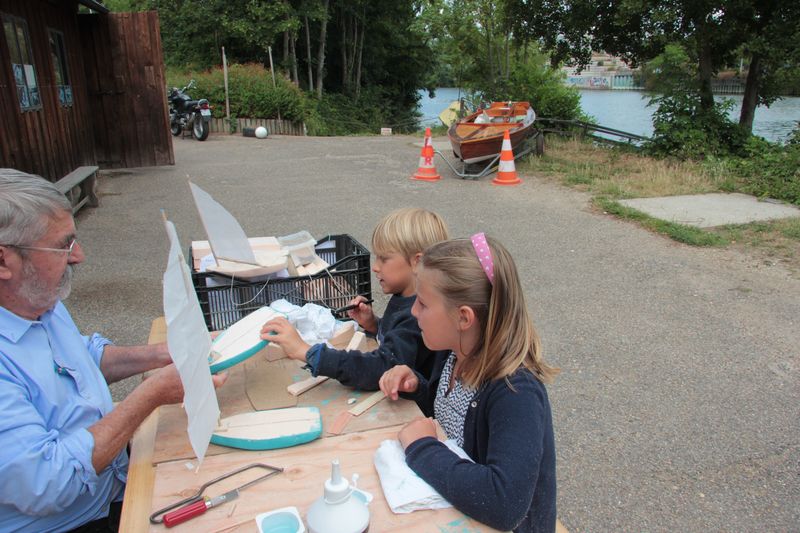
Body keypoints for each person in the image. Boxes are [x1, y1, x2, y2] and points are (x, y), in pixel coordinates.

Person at [0, 169, 227, 532]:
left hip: (112, 482)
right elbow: (49, 483)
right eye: (63, 245)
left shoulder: (36, 298)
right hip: (73, 522)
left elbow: (81, 359)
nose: (79, 256)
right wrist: (151, 394)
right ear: (3, 261)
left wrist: (164, 353)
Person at [379, 234, 560, 533]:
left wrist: (422, 448)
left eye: (423, 304)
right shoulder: (455, 352)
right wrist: (419, 389)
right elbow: (457, 420)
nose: (413, 312)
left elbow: (504, 503)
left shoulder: (516, 393)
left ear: (464, 318)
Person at [260, 208, 450, 396]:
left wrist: (308, 352)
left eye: (384, 259)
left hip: (417, 411)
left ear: (417, 262)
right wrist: (374, 324)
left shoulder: (416, 316)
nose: (375, 267)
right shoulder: (405, 297)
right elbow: (397, 339)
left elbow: (380, 368)